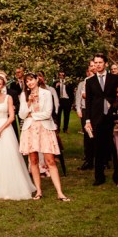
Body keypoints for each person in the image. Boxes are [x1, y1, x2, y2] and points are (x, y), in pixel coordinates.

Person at [19, 73, 69, 201]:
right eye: (27, 81)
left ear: (37, 80)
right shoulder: (24, 95)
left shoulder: (46, 93)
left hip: (45, 128)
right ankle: (38, 191)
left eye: (31, 80)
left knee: (50, 160)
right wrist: (29, 102)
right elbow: (22, 115)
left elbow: (47, 113)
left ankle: (60, 192)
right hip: (30, 129)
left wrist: (32, 115)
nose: (29, 83)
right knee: (33, 160)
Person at [84, 52, 118, 186]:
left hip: (112, 117)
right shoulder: (90, 81)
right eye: (96, 63)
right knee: (98, 148)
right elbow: (88, 101)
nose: (98, 65)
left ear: (105, 64)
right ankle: (99, 176)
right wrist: (88, 120)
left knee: (115, 148)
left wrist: (114, 106)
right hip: (97, 118)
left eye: (100, 62)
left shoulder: (115, 78)